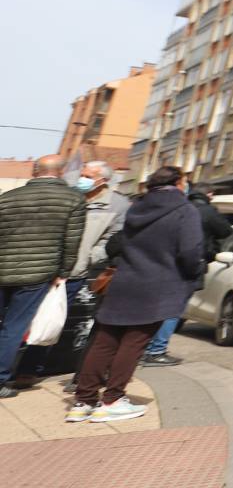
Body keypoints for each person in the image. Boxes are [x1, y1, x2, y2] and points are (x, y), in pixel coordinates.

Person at [71, 166, 203, 423]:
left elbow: (119, 242)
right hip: (157, 286)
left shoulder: (136, 207)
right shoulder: (185, 211)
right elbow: (190, 251)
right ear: (178, 183)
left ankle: (83, 401)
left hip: (123, 281)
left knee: (104, 342)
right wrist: (191, 274)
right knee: (133, 344)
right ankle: (112, 399)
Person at [15, 163, 126, 383]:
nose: (81, 179)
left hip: (73, 273)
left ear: (102, 180)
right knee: (19, 318)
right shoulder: (67, 193)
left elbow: (111, 240)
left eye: (87, 176)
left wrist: (86, 258)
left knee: (50, 319)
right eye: (82, 174)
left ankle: (28, 369)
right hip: (40, 265)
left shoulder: (117, 204)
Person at [0, 155, 85, 399]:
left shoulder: (8, 197)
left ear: (34, 171)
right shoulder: (73, 199)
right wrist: (64, 273)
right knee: (13, 327)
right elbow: (72, 241)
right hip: (37, 273)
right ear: (61, 172)